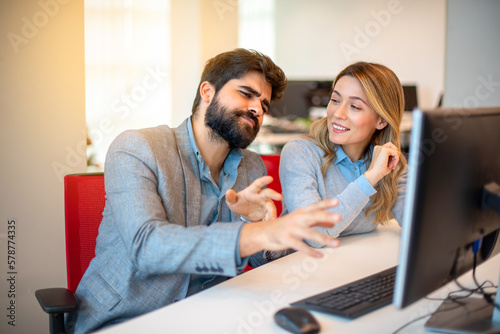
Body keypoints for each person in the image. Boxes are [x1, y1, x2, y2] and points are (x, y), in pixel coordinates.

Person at [66, 49, 342, 334]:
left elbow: (261, 260)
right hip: (128, 318)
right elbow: (147, 247)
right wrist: (257, 234)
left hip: (211, 315)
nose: (257, 109)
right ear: (207, 91)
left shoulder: (251, 167)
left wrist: (258, 222)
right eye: (246, 93)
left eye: (264, 104)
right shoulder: (137, 147)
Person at [279, 62, 407, 247]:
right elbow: (315, 234)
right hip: (298, 266)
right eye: (335, 100)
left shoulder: (386, 161)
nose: (338, 113)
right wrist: (370, 177)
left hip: (349, 266)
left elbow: (417, 222)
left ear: (381, 120)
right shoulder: (300, 152)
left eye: (354, 106)